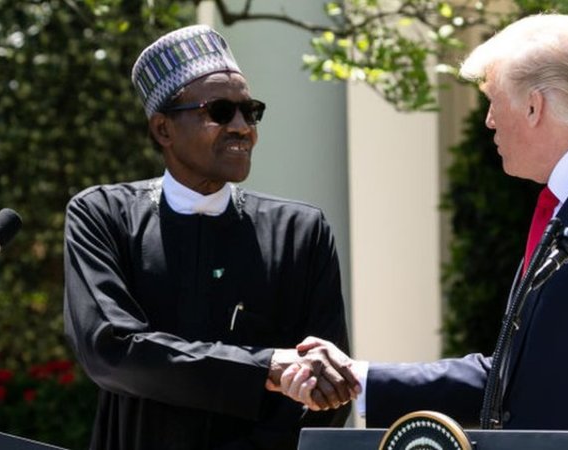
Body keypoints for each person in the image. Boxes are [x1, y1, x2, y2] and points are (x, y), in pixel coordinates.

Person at [278, 14, 568, 450]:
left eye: (493, 101)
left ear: (534, 106)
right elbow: (512, 376)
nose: (489, 121)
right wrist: (358, 378)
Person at [63, 24, 357, 450]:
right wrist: (265, 368)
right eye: (220, 111)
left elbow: (327, 388)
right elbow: (111, 351)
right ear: (163, 129)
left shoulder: (299, 232)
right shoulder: (104, 216)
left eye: (250, 112)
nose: (242, 127)